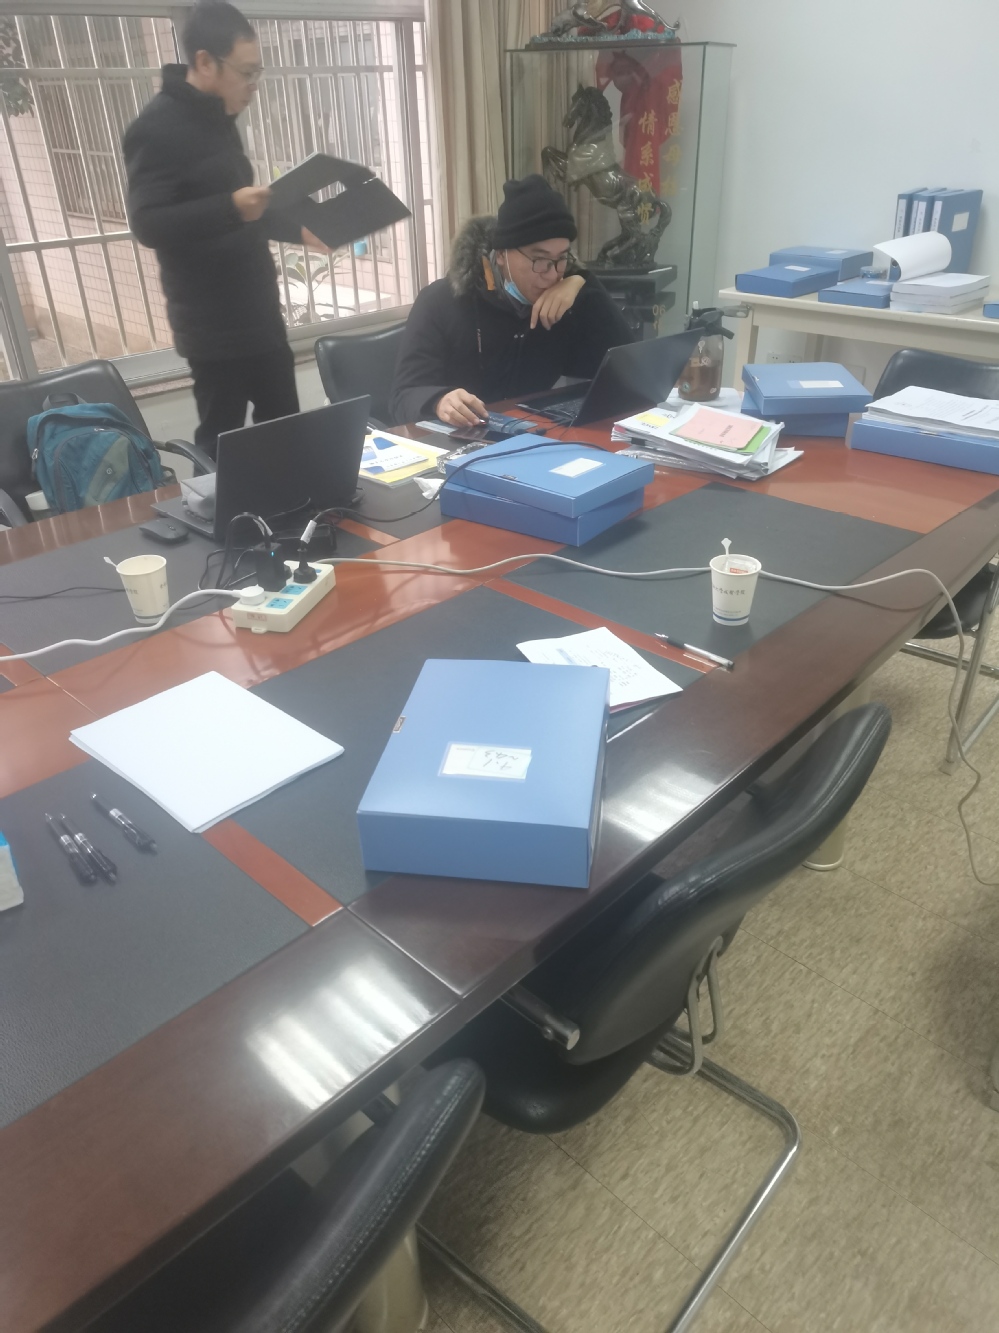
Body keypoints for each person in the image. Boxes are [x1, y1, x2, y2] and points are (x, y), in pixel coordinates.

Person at [123, 3, 321, 457]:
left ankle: (289, 503)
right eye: (246, 72)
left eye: (258, 72)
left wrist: (301, 231)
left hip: (259, 315)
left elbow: (248, 210)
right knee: (220, 451)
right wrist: (229, 206)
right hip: (213, 329)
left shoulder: (220, 120)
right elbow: (148, 222)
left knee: (286, 438)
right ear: (205, 62)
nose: (253, 85)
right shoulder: (155, 128)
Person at [389, 175, 634, 427]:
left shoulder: (563, 303)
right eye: (539, 259)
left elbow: (626, 370)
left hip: (531, 434)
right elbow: (402, 398)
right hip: (457, 439)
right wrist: (438, 401)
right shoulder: (441, 302)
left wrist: (583, 282)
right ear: (502, 255)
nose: (551, 274)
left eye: (562, 258)